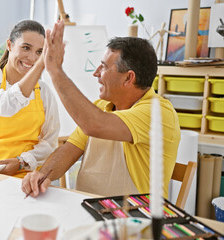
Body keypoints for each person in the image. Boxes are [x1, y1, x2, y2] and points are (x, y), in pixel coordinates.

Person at [22, 21, 180, 197]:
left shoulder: (158, 113)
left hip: (136, 217)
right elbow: (69, 150)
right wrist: (43, 175)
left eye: (104, 66)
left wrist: (55, 70)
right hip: (89, 208)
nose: (96, 73)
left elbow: (94, 124)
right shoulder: (101, 107)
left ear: (129, 78)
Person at [0, 20, 60, 178]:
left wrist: (22, 161)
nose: (32, 58)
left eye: (40, 52)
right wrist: (41, 65)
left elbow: (50, 142)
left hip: (25, 176)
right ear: (9, 45)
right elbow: (6, 106)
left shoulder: (44, 91)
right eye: (26, 48)